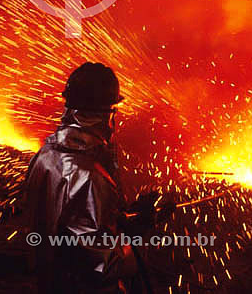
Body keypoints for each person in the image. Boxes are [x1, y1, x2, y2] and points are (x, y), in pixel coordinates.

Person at [25, 62, 161, 293]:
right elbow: (104, 267)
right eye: (113, 112)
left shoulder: (45, 155)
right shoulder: (89, 175)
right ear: (105, 114)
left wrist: (126, 219)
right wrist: (139, 235)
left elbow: (69, 223)